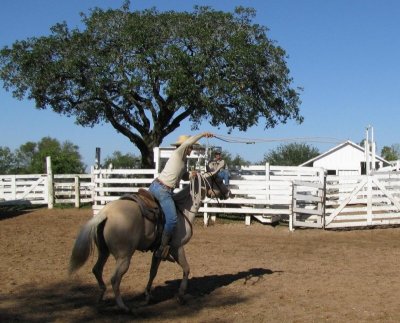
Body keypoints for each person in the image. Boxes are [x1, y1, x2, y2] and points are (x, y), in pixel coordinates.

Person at [149, 132, 214, 259]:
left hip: (157, 186)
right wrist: (203, 134)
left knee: (165, 215)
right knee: (173, 219)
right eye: (191, 147)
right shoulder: (179, 152)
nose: (192, 149)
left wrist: (191, 175)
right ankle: (162, 249)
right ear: (185, 147)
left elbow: (183, 176)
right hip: (163, 190)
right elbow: (189, 142)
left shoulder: (182, 161)